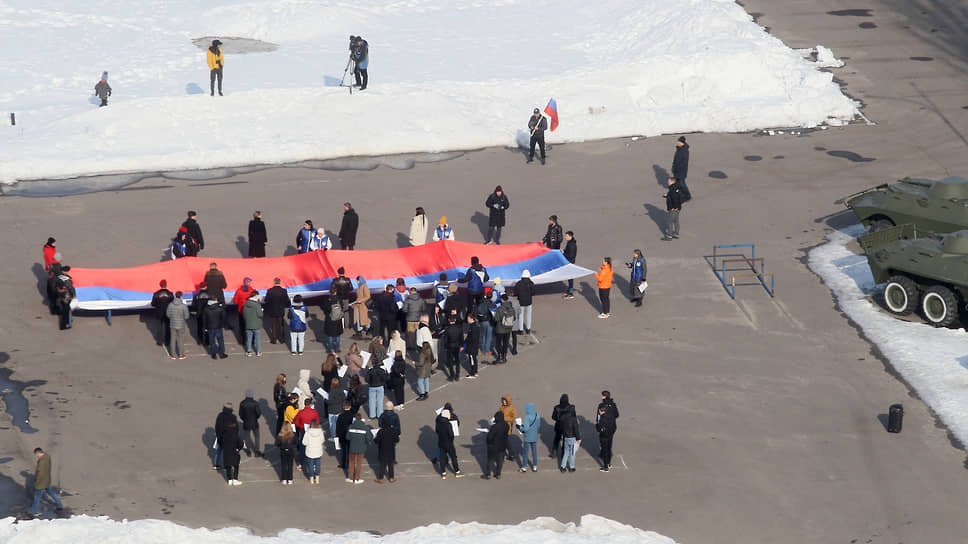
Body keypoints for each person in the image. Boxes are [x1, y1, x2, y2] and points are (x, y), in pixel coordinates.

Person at [27, 448, 64, 517]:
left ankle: (32, 511)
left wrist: (37, 483)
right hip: (47, 480)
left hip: (41, 483)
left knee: (37, 497)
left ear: (38, 453)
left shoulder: (42, 462)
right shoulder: (47, 457)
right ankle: (60, 505)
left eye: (36, 455)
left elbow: (41, 474)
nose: (36, 456)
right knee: (52, 493)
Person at [435, 408, 464, 479]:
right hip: (449, 443)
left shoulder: (438, 423)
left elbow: (437, 431)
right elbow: (451, 434)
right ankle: (457, 471)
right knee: (453, 457)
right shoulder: (448, 424)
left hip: (441, 442)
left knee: (442, 457)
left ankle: (443, 473)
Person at [346, 411, 372, 483]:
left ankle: (350, 477)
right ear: (361, 419)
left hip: (352, 448)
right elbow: (368, 438)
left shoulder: (350, 427)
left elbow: (348, 437)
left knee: (351, 462)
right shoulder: (365, 427)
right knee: (359, 463)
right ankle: (357, 478)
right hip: (361, 448)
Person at [482, 411, 509, 480]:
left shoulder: (495, 427)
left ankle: (488, 474)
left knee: (490, 460)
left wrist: (488, 442)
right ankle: (498, 474)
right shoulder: (506, 425)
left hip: (493, 447)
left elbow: (490, 437)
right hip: (502, 446)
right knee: (500, 461)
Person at [374, 415, 400, 483]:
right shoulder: (393, 430)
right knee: (390, 464)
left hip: (382, 450)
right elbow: (397, 440)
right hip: (391, 450)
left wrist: (375, 438)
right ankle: (391, 477)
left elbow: (376, 441)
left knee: (382, 465)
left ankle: (380, 478)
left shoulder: (381, 431)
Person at [263, 278, 289, 344]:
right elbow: (287, 301)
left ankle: (274, 339)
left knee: (273, 325)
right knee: (281, 325)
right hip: (280, 310)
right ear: (280, 282)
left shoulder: (270, 290)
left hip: (272, 310)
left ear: (274, 282)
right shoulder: (283, 291)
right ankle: (282, 339)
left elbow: (266, 300)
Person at [166, 291, 190, 359]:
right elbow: (186, 316)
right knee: (180, 339)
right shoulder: (183, 306)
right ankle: (181, 354)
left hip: (172, 324)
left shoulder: (170, 305)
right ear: (181, 296)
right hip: (181, 325)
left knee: (173, 339)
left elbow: (168, 314)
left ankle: (172, 354)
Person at [151, 280, 174, 349]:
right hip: (168, 312)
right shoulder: (170, 294)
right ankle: (168, 341)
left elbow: (153, 304)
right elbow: (172, 303)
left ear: (160, 285)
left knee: (159, 327)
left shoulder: (156, 294)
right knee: (168, 327)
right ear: (166, 285)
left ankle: (160, 341)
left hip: (159, 312)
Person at [239, 389, 262, 457]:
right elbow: (258, 413)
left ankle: (248, 451)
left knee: (247, 437)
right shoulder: (255, 403)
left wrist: (244, 419)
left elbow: (241, 414)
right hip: (254, 422)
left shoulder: (242, 403)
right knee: (257, 436)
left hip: (246, 423)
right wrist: (256, 418)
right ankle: (257, 450)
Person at [518, 402, 540, 472]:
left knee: (525, 453)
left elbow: (526, 428)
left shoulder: (527, 417)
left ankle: (524, 467)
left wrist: (520, 427)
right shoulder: (537, 415)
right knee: (534, 452)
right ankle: (535, 466)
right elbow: (538, 426)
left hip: (527, 437)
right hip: (534, 436)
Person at [559, 404, 581, 473]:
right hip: (572, 438)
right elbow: (576, 430)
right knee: (572, 454)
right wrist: (578, 438)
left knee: (566, 453)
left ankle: (563, 467)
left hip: (566, 437)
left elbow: (562, 428)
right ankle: (571, 467)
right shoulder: (574, 419)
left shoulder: (564, 418)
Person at [493, 295, 515, 363]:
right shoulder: (512, 308)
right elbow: (514, 318)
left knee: (499, 343)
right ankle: (504, 357)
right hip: (508, 328)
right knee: (505, 343)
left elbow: (496, 319)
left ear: (502, 300)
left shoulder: (500, 308)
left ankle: (499, 356)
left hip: (500, 329)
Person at [550, 394, 573, 458]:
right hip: (567, 427)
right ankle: (563, 454)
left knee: (557, 439)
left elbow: (553, 417)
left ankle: (554, 452)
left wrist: (558, 419)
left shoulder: (556, 407)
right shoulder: (570, 407)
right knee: (565, 440)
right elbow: (573, 417)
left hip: (558, 426)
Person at [442, 313, 463, 381]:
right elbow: (461, 338)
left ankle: (452, 375)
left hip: (450, 346)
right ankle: (457, 375)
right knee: (457, 361)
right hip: (457, 346)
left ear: (448, 320)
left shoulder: (447, 329)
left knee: (450, 361)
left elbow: (446, 339)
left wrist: (445, 346)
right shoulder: (459, 328)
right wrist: (462, 345)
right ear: (455, 320)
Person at [221, 420, 243, 485]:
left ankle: (230, 479)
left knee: (228, 466)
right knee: (236, 465)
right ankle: (235, 479)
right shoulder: (235, 435)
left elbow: (221, 443)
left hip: (226, 452)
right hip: (234, 451)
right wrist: (238, 448)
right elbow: (241, 443)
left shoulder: (224, 435)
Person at [302, 420, 325, 484]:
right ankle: (317, 477)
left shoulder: (308, 432)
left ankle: (311, 478)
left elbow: (304, 442)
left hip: (310, 451)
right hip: (318, 451)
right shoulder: (320, 432)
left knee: (310, 465)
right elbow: (322, 440)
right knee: (318, 464)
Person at [334, 400, 355, 470]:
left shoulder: (341, 416)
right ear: (350, 407)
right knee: (349, 450)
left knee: (343, 451)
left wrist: (337, 435)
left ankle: (343, 464)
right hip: (350, 434)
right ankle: (349, 463)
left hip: (342, 434)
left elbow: (338, 426)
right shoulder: (352, 415)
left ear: (344, 407)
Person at [596, 405, 617, 472]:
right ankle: (609, 464)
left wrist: (597, 425)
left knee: (605, 451)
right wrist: (612, 432)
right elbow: (615, 427)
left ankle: (605, 467)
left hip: (604, 437)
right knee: (609, 449)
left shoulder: (602, 419)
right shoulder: (611, 416)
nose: (598, 412)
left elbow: (599, 429)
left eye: (599, 411)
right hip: (610, 435)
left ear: (602, 411)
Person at [243, 290, 263, 356]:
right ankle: (258, 351)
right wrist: (262, 311)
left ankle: (249, 351)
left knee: (249, 339)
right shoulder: (257, 304)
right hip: (256, 324)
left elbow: (244, 314)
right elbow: (260, 314)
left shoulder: (246, 303)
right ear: (255, 295)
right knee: (257, 339)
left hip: (248, 324)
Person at [662, 177, 683, 241]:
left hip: (673, 208)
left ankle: (669, 236)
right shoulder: (676, 188)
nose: (668, 182)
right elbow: (677, 196)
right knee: (676, 220)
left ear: (672, 182)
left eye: (669, 181)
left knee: (670, 221)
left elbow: (675, 198)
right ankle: (676, 233)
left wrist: (675, 207)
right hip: (678, 207)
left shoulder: (672, 189)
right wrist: (667, 195)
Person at [672, 135, 691, 201]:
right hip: (677, 170)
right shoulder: (679, 149)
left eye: (678, 142)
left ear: (682, 142)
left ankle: (687, 196)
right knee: (678, 183)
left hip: (681, 171)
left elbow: (683, 162)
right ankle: (680, 194)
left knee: (682, 184)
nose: (677, 143)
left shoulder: (684, 151)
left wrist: (677, 169)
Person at [516, 269, 536, 334]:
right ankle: (528, 329)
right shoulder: (531, 283)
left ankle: (520, 329)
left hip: (521, 302)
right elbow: (533, 292)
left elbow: (515, 292)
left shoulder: (519, 283)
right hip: (529, 301)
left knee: (520, 315)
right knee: (528, 315)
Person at [499, 395, 517, 462]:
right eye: (503, 400)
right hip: (501, 426)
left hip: (507, 427)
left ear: (508, 401)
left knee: (505, 442)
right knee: (505, 442)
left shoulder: (512, 408)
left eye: (505, 400)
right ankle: (511, 455)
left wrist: (504, 419)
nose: (503, 402)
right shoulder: (501, 407)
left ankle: (510, 455)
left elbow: (514, 418)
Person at [463, 313, 481, 378]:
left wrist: (466, 343)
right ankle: (475, 371)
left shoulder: (473, 327)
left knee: (472, 359)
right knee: (474, 358)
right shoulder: (475, 326)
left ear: (471, 319)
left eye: (468, 318)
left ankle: (472, 373)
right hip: (475, 345)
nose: (467, 320)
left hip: (472, 346)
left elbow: (471, 337)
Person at [562, 231, 577, 299]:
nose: (565, 237)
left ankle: (571, 293)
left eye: (566, 236)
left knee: (570, 277)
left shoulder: (572, 245)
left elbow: (571, 255)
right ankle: (569, 290)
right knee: (569, 277)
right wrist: (564, 251)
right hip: (569, 262)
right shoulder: (570, 243)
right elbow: (568, 252)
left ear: (570, 236)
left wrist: (563, 253)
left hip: (570, 262)